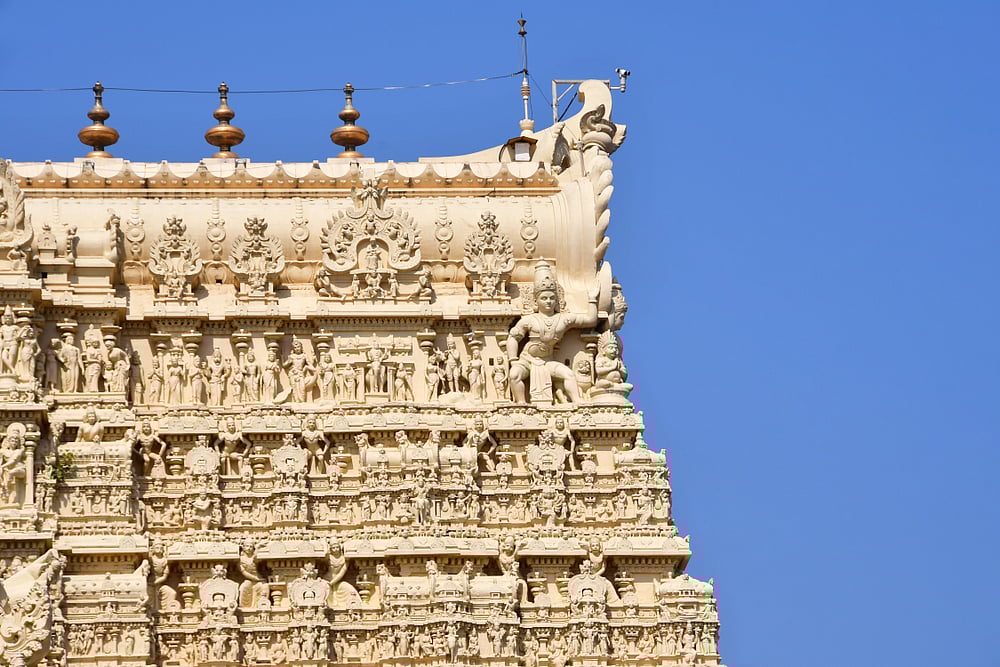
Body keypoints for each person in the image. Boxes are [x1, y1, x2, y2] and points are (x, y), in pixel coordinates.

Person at [506, 262, 598, 404]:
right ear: (536, 301)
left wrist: (592, 299)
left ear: (557, 299)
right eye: (544, 298)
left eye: (551, 298)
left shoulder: (563, 319)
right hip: (527, 360)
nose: (548, 301)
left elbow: (590, 320)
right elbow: (513, 337)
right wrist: (513, 360)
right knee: (514, 375)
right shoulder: (529, 320)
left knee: (568, 374)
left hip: (547, 361)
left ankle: (578, 401)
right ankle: (521, 403)